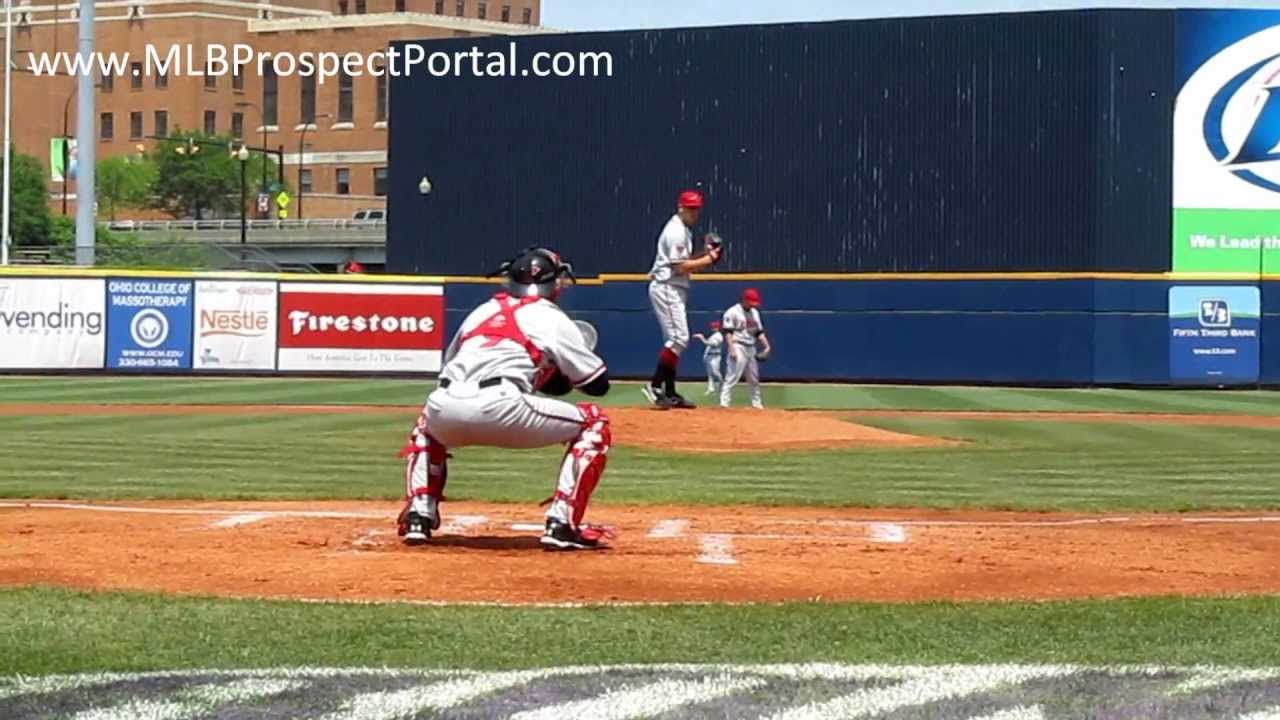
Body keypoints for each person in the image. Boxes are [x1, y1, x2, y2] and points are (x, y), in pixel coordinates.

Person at [397, 247, 613, 551]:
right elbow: (596, 384)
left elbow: (450, 366)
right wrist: (553, 373)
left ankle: (419, 515)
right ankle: (562, 523)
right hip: (503, 405)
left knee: (427, 423)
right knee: (595, 422)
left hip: (446, 403)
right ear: (556, 282)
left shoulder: (480, 311)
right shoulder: (550, 316)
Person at [643, 190, 722, 410]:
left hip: (673, 287)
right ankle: (655, 386)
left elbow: (682, 261)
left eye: (696, 208)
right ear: (680, 207)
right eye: (690, 208)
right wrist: (709, 258)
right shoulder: (676, 231)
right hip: (667, 286)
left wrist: (703, 255)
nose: (694, 212)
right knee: (680, 338)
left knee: (675, 340)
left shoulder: (682, 229)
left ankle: (669, 392)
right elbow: (679, 267)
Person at [720, 288, 772, 409]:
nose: (753, 305)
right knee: (733, 376)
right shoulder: (732, 312)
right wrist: (731, 348)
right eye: (751, 302)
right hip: (738, 345)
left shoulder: (755, 313)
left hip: (751, 347)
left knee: (753, 378)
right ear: (744, 300)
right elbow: (728, 332)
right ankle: (724, 403)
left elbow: (759, 332)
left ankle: (757, 404)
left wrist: (767, 346)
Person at [692, 320, 724, 395]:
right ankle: (711, 389)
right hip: (709, 355)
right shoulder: (713, 335)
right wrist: (705, 356)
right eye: (713, 327)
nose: (713, 328)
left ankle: (722, 385)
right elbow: (708, 347)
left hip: (715, 356)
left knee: (715, 372)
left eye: (715, 327)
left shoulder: (719, 336)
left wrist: (702, 338)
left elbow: (713, 344)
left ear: (718, 328)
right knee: (710, 374)